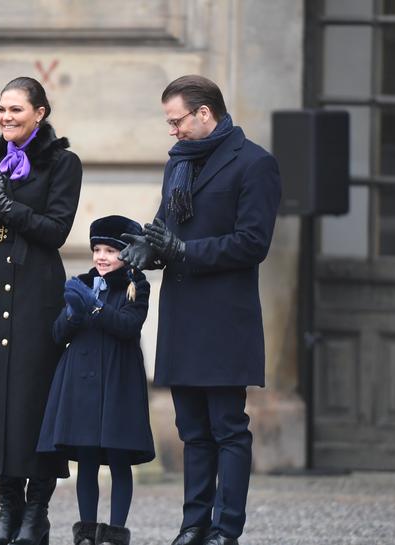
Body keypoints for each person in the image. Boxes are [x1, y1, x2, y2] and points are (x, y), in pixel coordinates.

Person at [119, 75, 281, 545]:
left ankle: (225, 530)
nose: (172, 130)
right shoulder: (178, 165)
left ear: (204, 113)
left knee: (228, 428)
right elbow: (165, 228)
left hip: (225, 318)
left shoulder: (255, 164)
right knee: (192, 429)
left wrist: (184, 251)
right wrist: (146, 250)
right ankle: (193, 525)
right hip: (183, 315)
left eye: (177, 121)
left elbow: (253, 243)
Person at [0, 76, 82, 545]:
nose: (6, 118)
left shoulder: (62, 162)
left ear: (40, 113)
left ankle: (36, 514)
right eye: (1, 109)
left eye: (16, 109)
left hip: (35, 292)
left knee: (33, 404)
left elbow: (55, 231)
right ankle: (7, 511)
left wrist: (0, 201)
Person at [37, 215, 154, 545]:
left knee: (118, 456)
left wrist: (96, 308)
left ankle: (115, 532)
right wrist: (74, 313)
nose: (101, 256)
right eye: (96, 249)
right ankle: (86, 531)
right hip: (82, 381)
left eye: (110, 250)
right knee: (86, 457)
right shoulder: (81, 284)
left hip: (118, 380)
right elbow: (58, 334)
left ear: (127, 254)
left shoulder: (135, 285)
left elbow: (128, 326)